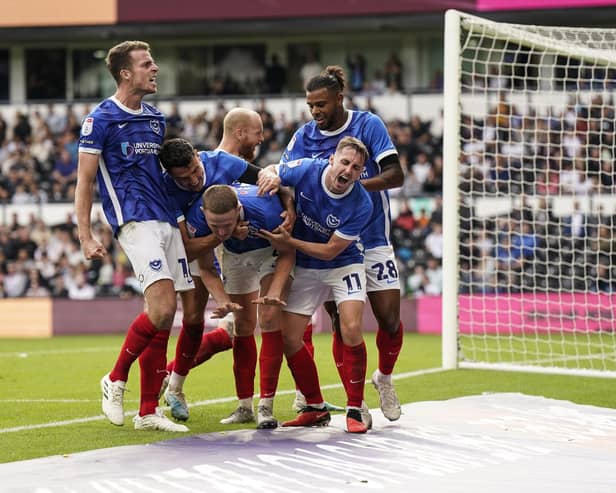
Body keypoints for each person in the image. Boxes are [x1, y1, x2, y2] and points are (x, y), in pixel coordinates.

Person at [74, 41, 191, 432]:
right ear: (126, 73)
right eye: (147, 63)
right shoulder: (100, 119)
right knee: (159, 309)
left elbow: (160, 176)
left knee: (166, 314)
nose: (154, 68)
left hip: (165, 221)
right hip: (134, 220)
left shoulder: (156, 119)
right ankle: (115, 378)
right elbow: (85, 182)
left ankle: (147, 412)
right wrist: (85, 235)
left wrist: (181, 218)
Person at [281, 65, 405, 422]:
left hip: (372, 235)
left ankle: (384, 377)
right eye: (310, 106)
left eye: (322, 104)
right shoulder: (303, 136)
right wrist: (290, 208)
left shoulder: (368, 125)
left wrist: (348, 190)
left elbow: (396, 174)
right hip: (330, 243)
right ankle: (355, 400)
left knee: (390, 319)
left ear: (339, 98)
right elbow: (285, 179)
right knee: (341, 322)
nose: (316, 112)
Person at [158, 117, 285, 423]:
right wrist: (220, 235)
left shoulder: (228, 164)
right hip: (201, 240)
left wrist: (278, 184)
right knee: (194, 317)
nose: (260, 139)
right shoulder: (171, 190)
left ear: (200, 159)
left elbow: (270, 180)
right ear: (240, 132)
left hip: (233, 236)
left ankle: (302, 398)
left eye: (195, 173)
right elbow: (188, 247)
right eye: (257, 133)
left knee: (252, 324)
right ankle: (174, 385)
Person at [258, 136, 373, 434]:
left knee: (350, 328)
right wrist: (273, 181)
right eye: (345, 162)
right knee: (289, 338)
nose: (348, 171)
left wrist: (289, 241)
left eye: (356, 168)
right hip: (307, 267)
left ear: (361, 173)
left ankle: (356, 407)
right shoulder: (308, 169)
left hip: (343, 264)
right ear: (332, 160)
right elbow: (271, 170)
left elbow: (331, 250)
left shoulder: (362, 202)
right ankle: (315, 406)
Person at [184, 183, 294, 429]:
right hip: (234, 256)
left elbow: (288, 252)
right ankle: (245, 406)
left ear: (239, 209)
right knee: (243, 325)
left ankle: (266, 406)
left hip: (269, 250)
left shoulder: (266, 210)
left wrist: (275, 291)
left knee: (268, 318)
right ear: (203, 213)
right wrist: (223, 301)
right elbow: (206, 268)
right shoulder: (198, 220)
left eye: (227, 224)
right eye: (215, 226)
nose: (221, 231)